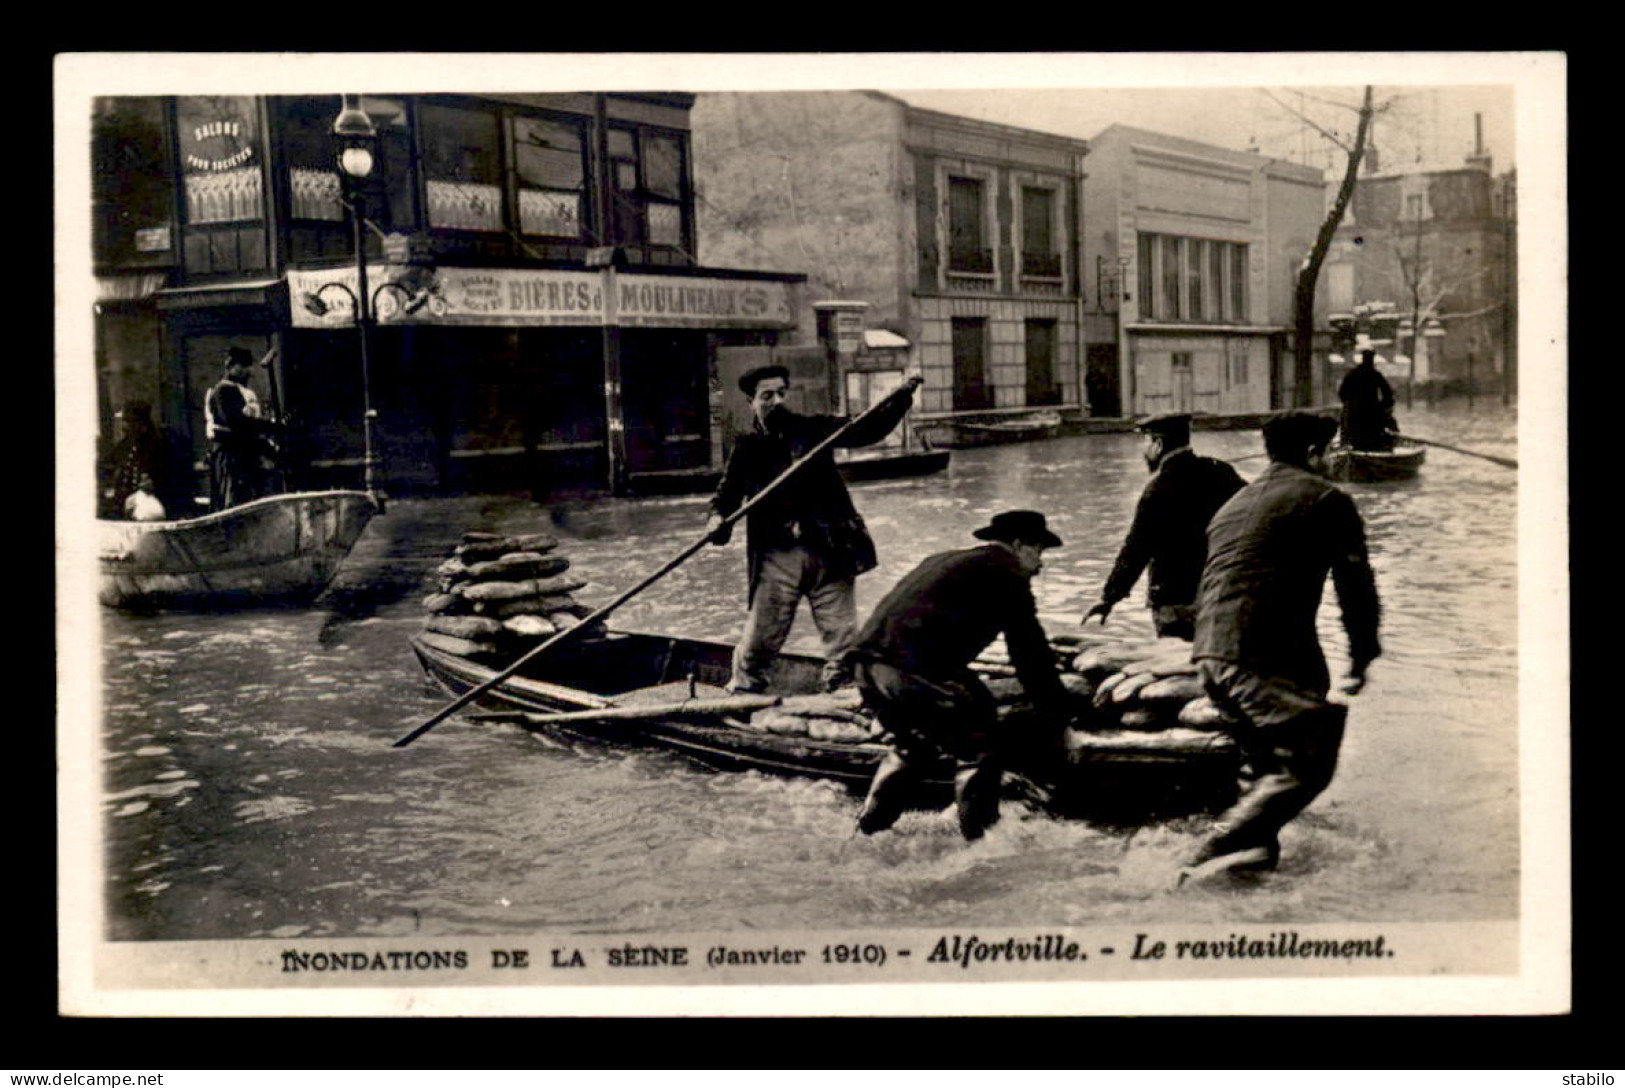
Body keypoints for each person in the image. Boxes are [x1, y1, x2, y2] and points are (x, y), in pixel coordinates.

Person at [1181, 412, 1382, 883]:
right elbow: (1356, 588)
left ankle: (1249, 871)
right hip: (1258, 656)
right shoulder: (1326, 498)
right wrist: (1362, 656)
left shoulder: (1234, 503)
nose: (1333, 460)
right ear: (1314, 454)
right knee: (1307, 763)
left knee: (1263, 769)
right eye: (1329, 451)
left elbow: (1221, 584)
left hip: (1211, 653)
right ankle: (1201, 855)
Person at [848, 510, 1074, 841]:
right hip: (911, 672)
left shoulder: (946, 561)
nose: (1040, 565)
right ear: (1018, 545)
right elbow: (1030, 655)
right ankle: (981, 843)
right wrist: (1060, 716)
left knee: (913, 748)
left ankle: (867, 831)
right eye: (1039, 551)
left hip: (866, 666)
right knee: (981, 747)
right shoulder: (1007, 574)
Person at [706, 365, 921, 694]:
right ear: (751, 401)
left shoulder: (814, 430)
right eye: (767, 396)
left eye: (781, 393)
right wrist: (717, 521)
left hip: (831, 552)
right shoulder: (747, 448)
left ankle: (846, 693)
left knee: (843, 640)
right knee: (760, 641)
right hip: (779, 558)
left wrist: (902, 397)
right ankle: (745, 690)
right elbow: (726, 497)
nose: (777, 401)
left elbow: (865, 430)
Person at [1083, 413, 1245, 640]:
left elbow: (1135, 550)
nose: (1143, 450)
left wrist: (1109, 598)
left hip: (1174, 600)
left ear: (1158, 444)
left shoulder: (1156, 490)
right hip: (1219, 592)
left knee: (1177, 663)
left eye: (1145, 442)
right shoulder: (1221, 472)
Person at [205, 346, 278, 510]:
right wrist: (268, 427)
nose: (248, 371)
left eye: (248, 366)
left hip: (247, 454)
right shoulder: (222, 391)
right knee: (235, 501)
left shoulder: (245, 392)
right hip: (231, 455)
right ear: (232, 366)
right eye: (243, 366)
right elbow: (237, 422)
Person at [108, 400, 191, 520]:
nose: (123, 427)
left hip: (157, 503)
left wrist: (152, 486)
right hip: (130, 505)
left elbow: (172, 479)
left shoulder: (161, 444)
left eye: (127, 421)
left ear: (140, 424)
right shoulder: (124, 445)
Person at [1338, 349, 1397, 451]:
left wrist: (1349, 404)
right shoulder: (1375, 374)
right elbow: (1388, 394)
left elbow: (1342, 393)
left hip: (1355, 413)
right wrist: (1383, 407)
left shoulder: (1353, 374)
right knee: (1375, 435)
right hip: (1372, 413)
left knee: (1351, 433)